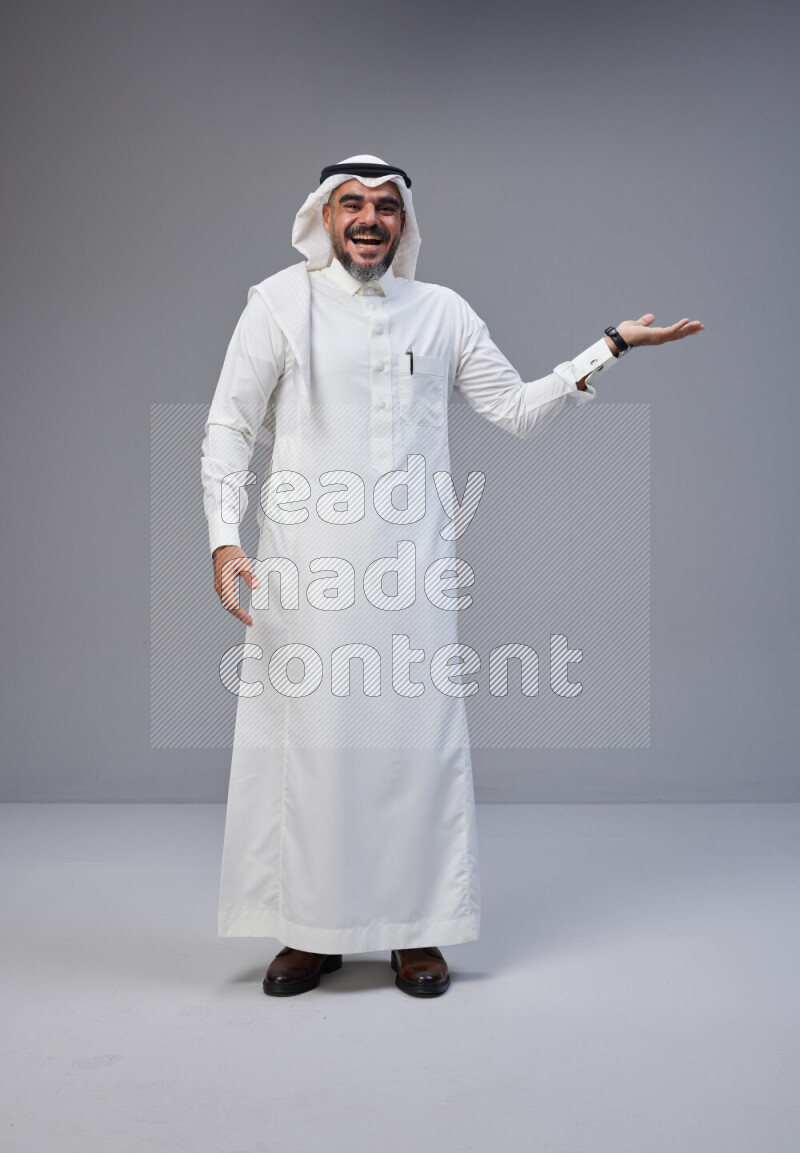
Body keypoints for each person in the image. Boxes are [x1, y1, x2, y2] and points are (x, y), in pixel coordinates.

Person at [200, 154, 703, 999]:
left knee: (414, 749)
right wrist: (223, 539)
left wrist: (611, 346)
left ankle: (415, 930)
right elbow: (228, 426)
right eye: (351, 204)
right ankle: (310, 931)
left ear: (404, 222)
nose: (369, 219)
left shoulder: (443, 313)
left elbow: (515, 410)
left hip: (412, 574)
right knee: (312, 751)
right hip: (305, 570)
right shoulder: (277, 305)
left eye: (385, 206)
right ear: (324, 217)